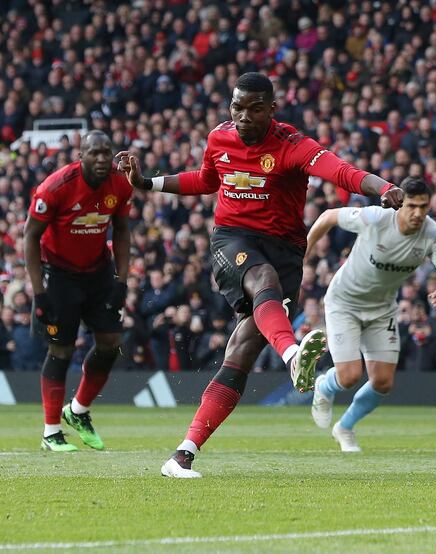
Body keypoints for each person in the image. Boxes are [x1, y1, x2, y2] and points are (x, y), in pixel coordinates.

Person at [116, 72, 404, 477]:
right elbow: (206, 180)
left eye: (254, 109)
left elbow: (341, 171)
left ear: (272, 109)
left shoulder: (292, 145)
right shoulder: (220, 137)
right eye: (238, 107)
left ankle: (182, 454)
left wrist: (382, 187)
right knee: (261, 279)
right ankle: (291, 354)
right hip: (232, 239)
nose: (244, 116)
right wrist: (148, 183)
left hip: (286, 250)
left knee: (242, 353)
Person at [305, 177, 436, 452]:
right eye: (412, 206)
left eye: (423, 207)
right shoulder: (376, 218)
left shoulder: (433, 234)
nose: (417, 213)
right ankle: (324, 386)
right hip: (344, 302)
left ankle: (345, 427)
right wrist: (304, 253)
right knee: (350, 376)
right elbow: (328, 216)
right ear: (402, 205)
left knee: (383, 382)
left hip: (382, 309)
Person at [24, 131, 131, 452]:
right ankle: (51, 432)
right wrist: (39, 292)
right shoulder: (54, 188)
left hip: (98, 273)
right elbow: (30, 237)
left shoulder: (120, 184)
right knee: (61, 349)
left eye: (106, 153)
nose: (101, 159)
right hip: (59, 275)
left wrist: (122, 281)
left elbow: (123, 230)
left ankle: (79, 410)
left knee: (111, 343)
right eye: (94, 153)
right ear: (80, 155)